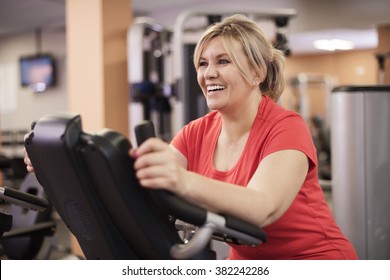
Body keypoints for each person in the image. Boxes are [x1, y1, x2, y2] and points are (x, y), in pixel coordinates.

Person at [25, 14, 357, 260]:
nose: (208, 73)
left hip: (315, 261)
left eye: (223, 61)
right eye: (202, 63)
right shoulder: (197, 131)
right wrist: (62, 165)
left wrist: (182, 181)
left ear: (258, 72)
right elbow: (137, 182)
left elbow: (263, 208)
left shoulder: (286, 126)